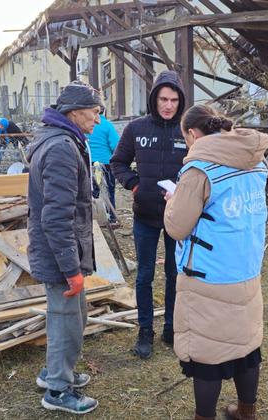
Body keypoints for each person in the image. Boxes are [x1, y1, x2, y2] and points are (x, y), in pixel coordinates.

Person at [164, 105, 268, 420]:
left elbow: (178, 227)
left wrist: (174, 202)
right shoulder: (255, 160)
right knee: (246, 346)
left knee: (207, 356)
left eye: (185, 139)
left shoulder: (200, 170)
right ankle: (246, 411)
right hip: (246, 267)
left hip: (209, 275)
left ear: (193, 135)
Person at [25, 81, 103, 415]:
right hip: (59, 253)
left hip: (60, 251)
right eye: (95, 112)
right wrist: (72, 269)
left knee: (73, 316)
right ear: (74, 111)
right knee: (66, 319)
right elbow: (56, 217)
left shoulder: (64, 140)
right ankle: (57, 389)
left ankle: (56, 373)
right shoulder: (60, 148)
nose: (98, 120)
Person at [110, 70, 188, 359]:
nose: (168, 105)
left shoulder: (187, 131)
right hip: (144, 215)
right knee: (144, 276)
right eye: (163, 99)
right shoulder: (136, 129)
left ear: (181, 102)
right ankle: (145, 331)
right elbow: (117, 162)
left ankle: (171, 326)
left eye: (174, 100)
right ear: (154, 99)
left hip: (176, 217)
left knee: (174, 274)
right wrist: (134, 185)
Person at [87, 107, 120, 224]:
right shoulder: (107, 125)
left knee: (92, 191)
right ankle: (111, 218)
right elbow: (116, 145)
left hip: (88, 163)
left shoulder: (86, 124)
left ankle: (93, 218)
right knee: (109, 191)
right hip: (105, 164)